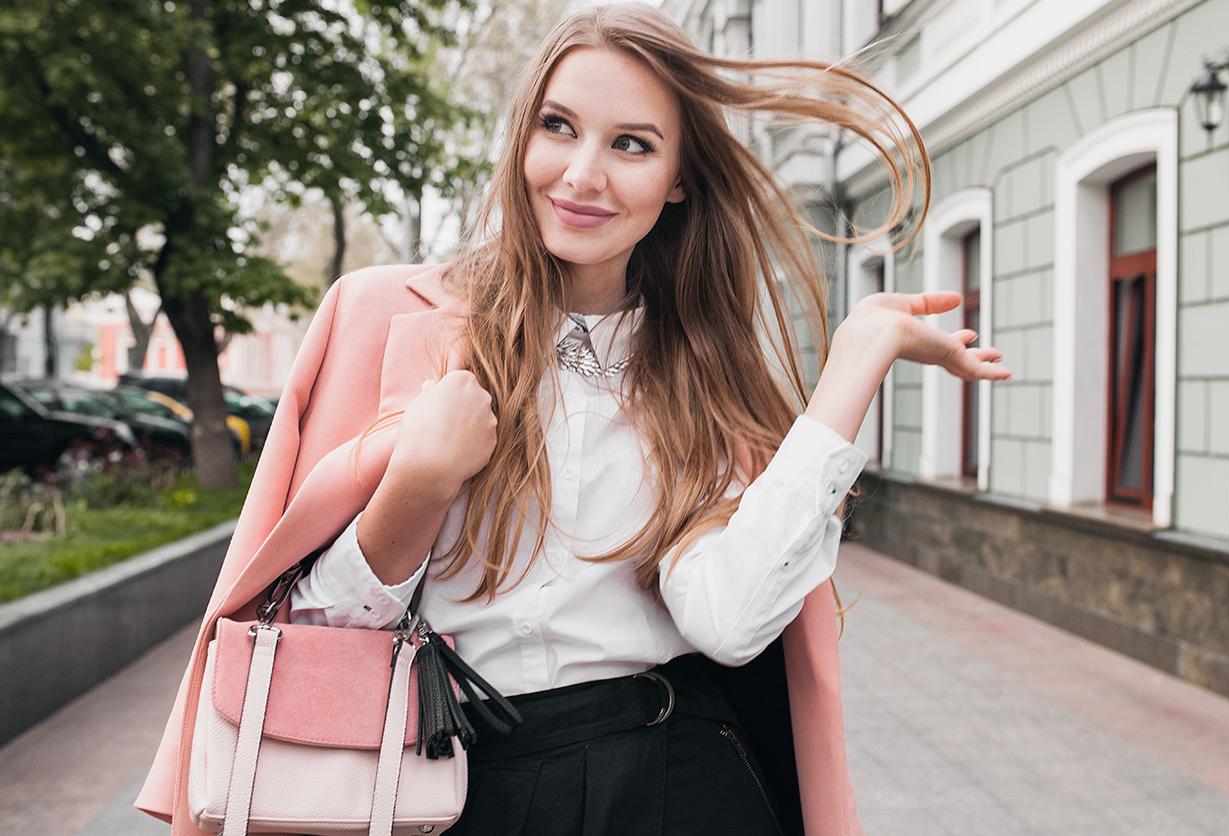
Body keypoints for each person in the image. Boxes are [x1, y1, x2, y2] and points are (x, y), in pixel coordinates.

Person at [135, 3, 1011, 834]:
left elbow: (729, 622)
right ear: (523, 137)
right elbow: (306, 633)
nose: (583, 174)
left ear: (677, 183)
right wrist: (417, 486)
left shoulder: (700, 375)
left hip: (678, 781)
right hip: (455, 785)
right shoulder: (382, 318)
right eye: (559, 127)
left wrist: (851, 369)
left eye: (632, 144)